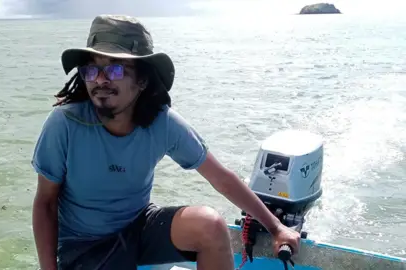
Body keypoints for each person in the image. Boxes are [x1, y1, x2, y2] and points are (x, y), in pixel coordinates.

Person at [31, 14, 300, 270]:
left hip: (138, 227)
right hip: (83, 245)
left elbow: (222, 179)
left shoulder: (162, 123)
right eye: (92, 70)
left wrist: (276, 228)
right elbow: (45, 203)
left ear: (143, 80)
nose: (100, 80)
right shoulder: (65, 123)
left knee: (210, 224)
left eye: (114, 69)